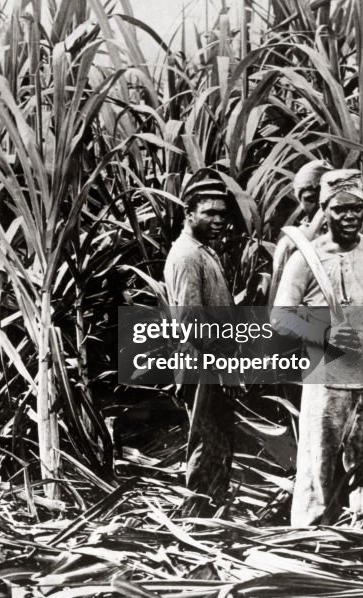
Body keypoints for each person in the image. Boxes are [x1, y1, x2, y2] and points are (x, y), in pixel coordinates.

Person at [271, 169, 363, 526]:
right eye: (340, 209)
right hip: (325, 383)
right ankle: (309, 552)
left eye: (357, 208)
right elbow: (280, 315)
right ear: (325, 209)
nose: (350, 216)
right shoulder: (307, 257)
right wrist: (323, 334)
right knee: (317, 473)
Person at [163, 177, 237, 513]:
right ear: (188, 214)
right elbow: (191, 322)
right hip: (203, 362)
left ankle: (213, 513)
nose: (218, 220)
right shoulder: (187, 256)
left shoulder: (204, 252)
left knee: (217, 441)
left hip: (212, 361)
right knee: (206, 444)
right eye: (208, 213)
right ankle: (199, 519)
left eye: (222, 214)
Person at [268, 159, 332, 304]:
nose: (319, 207)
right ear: (300, 200)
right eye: (310, 199)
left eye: (326, 199)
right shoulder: (291, 242)